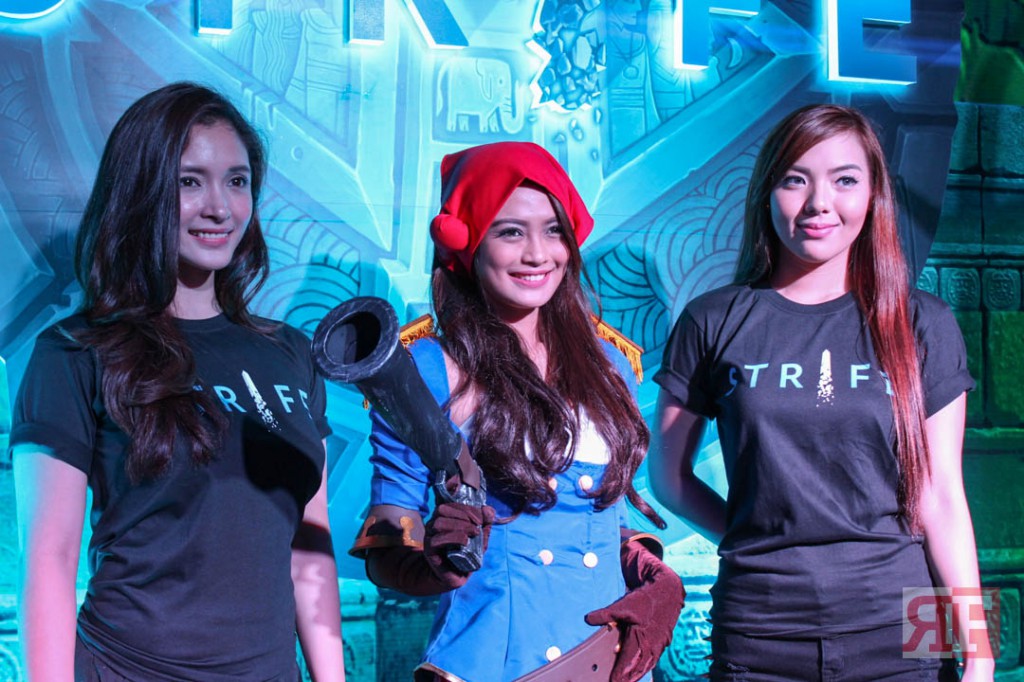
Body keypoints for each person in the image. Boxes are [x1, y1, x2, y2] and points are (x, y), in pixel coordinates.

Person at [11, 82, 346, 681]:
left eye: (237, 181)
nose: (220, 207)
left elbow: (309, 550)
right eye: (190, 182)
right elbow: (50, 559)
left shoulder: (290, 353)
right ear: (142, 191)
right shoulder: (76, 352)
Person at [649, 103, 993, 681]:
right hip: (759, 630)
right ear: (766, 193)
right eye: (795, 180)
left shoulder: (923, 322)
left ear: (874, 194)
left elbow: (944, 500)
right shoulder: (712, 320)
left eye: (845, 180)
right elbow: (669, 479)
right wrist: (758, 540)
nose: (818, 203)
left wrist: (980, 653)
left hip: (903, 626)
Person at [349, 141, 684, 682]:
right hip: (493, 664)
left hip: (608, 661)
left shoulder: (608, 364)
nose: (538, 254)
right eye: (510, 232)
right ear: (468, 244)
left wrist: (656, 577)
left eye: (553, 231)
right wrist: (436, 562)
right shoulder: (428, 369)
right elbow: (388, 545)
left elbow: (604, 519)